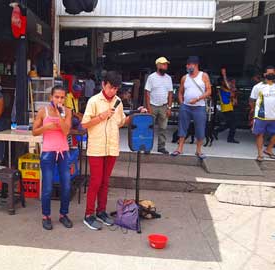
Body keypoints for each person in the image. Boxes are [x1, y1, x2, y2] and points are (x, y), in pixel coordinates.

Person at [81, 71, 147, 230]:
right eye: (110, 87)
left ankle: (101, 211)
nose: (113, 91)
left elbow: (121, 122)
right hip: (96, 148)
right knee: (96, 182)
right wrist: (101, 116)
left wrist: (136, 114)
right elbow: (84, 124)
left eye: (116, 89)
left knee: (105, 182)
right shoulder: (94, 101)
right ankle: (89, 215)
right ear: (104, 84)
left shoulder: (118, 101)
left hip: (112, 147)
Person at [32, 85, 73, 230]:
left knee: (67, 186)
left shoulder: (67, 111)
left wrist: (60, 114)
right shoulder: (43, 111)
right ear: (51, 97)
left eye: (62, 97)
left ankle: (63, 215)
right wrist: (46, 128)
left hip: (63, 152)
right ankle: (46, 216)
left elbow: (66, 130)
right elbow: (34, 132)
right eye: (57, 97)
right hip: (48, 152)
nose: (59, 100)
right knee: (48, 187)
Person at [171, 56, 212, 160]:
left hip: (199, 107)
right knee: (182, 127)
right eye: (187, 65)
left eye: (189, 65)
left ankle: (199, 151)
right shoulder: (185, 77)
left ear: (196, 65)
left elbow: (209, 91)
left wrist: (197, 99)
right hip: (186, 107)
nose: (188, 66)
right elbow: (180, 92)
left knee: (200, 128)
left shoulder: (204, 76)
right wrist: (182, 104)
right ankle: (179, 148)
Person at [144, 57, 173, 154]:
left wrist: (169, 107)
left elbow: (170, 94)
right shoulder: (151, 77)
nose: (165, 66)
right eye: (163, 64)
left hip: (164, 106)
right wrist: (148, 108)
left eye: (166, 65)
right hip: (152, 105)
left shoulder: (168, 78)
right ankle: (147, 147)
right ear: (158, 65)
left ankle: (161, 147)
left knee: (163, 128)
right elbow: (147, 93)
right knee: (149, 127)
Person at [249, 66, 275, 162]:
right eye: (269, 73)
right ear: (264, 74)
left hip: (274, 116)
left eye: (273, 73)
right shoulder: (258, 86)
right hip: (261, 116)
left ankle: (268, 149)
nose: (271, 75)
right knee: (260, 134)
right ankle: (260, 154)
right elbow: (251, 100)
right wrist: (253, 111)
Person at [215, 67, 239, 143]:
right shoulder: (223, 88)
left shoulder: (227, 89)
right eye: (231, 82)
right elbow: (229, 88)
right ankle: (229, 138)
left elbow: (233, 93)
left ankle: (216, 131)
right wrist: (224, 75)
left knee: (230, 124)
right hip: (226, 108)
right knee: (233, 123)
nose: (231, 83)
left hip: (229, 107)